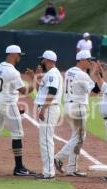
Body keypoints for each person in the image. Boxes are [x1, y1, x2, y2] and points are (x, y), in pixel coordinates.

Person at [54, 50, 98, 177]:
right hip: (78, 107)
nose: (90, 62)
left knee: (77, 137)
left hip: (68, 106)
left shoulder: (69, 72)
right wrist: (95, 74)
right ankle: (59, 158)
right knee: (79, 137)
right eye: (89, 60)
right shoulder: (82, 75)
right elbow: (94, 91)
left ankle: (72, 168)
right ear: (82, 60)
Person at [0, 45, 35, 176]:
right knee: (17, 134)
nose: (19, 57)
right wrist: (33, 78)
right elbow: (25, 91)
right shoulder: (13, 72)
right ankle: (19, 168)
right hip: (8, 104)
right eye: (18, 55)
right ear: (12, 55)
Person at [34, 50, 63, 180]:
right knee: (45, 140)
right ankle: (48, 171)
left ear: (48, 61)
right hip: (49, 108)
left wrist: (43, 109)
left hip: (49, 109)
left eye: (43, 60)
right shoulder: (51, 74)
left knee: (46, 140)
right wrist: (35, 76)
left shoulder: (53, 74)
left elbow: (51, 92)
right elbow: (41, 90)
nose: (42, 62)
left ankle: (49, 173)